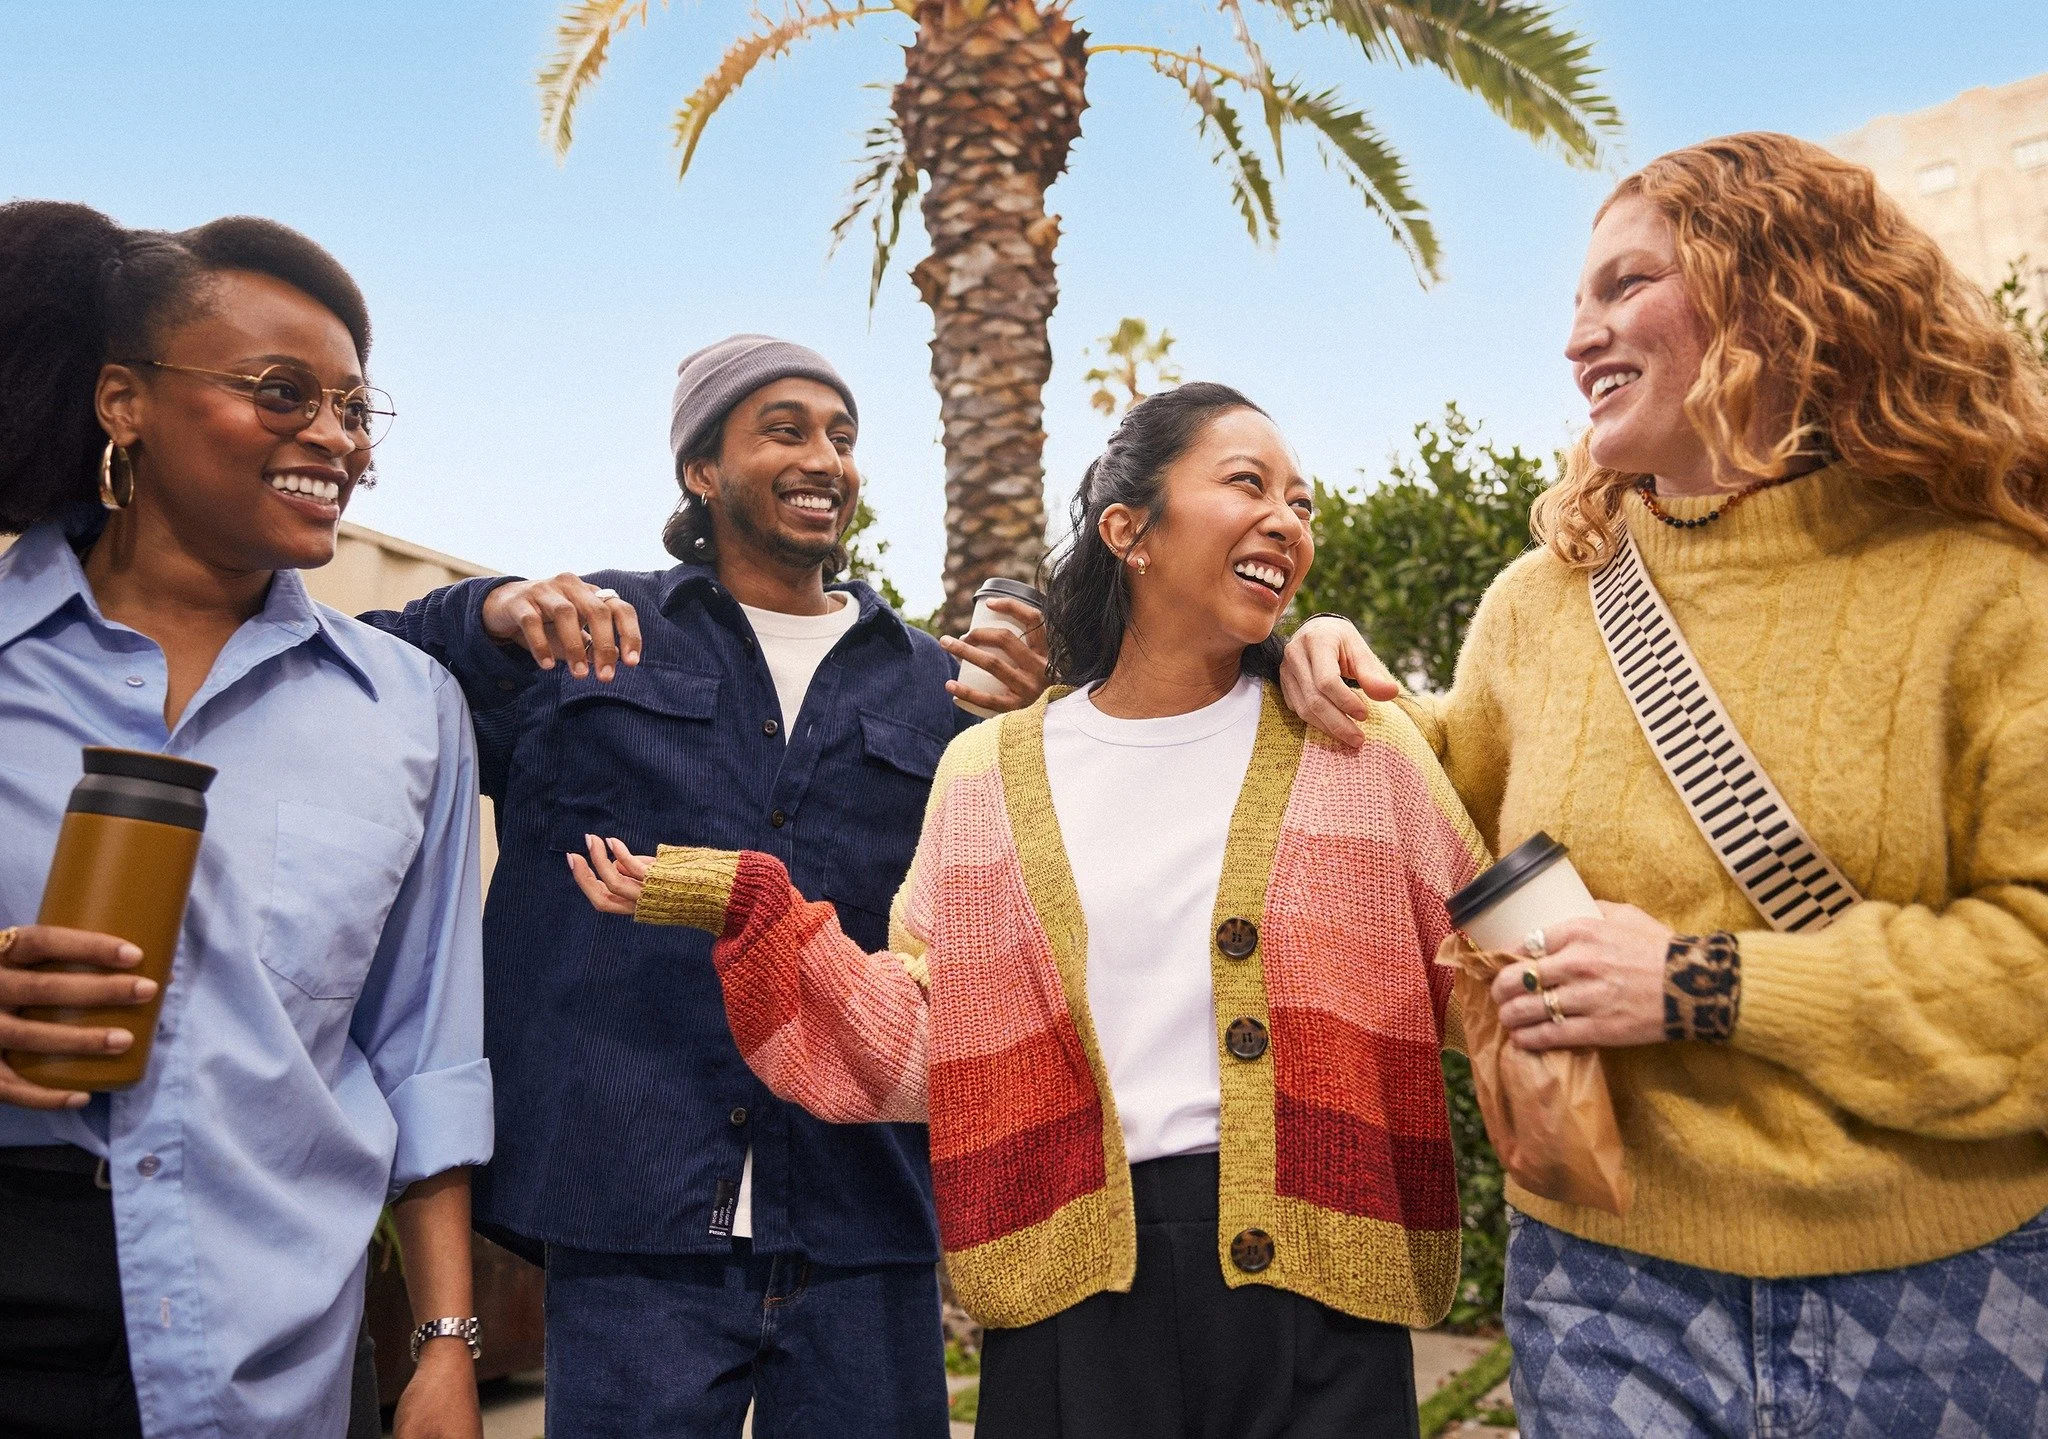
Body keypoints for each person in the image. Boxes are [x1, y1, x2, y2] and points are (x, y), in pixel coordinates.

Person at [1282, 132, 2048, 1438]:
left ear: (1775, 292)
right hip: (1598, 1294)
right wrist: (1319, 663)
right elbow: (1443, 806)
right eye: (1576, 299)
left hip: (1949, 1296)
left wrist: (1702, 982)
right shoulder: (1538, 608)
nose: (1579, 335)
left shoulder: (1986, 594)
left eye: (1625, 285)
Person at [570, 382, 1491, 1437]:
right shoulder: (989, 774)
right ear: (1128, 530)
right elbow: (929, 1043)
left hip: (1323, 1296)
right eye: (1248, 484)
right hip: (1068, 1292)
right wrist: (751, 908)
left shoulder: (1356, 745)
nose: (1287, 520)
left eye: (1303, 502)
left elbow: (1492, 962)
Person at [363, 333, 1048, 1436]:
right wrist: (485, 613)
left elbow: (1006, 919)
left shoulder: (940, 690)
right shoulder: (589, 636)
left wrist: (1039, 728)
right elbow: (359, 672)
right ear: (700, 469)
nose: (824, 455)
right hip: (629, 1211)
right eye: (784, 428)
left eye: (842, 435)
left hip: (864, 1214)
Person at [0, 201, 491, 1439]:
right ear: (126, 401)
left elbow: (423, 1051)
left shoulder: (409, 711)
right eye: (283, 392)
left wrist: (444, 1344)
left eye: (354, 407)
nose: (333, 437)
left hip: (265, 1351)